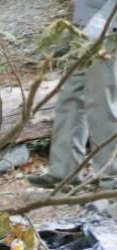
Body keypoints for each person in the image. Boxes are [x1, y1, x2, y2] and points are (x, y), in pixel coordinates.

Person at [28, 0, 116, 197]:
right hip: (84, 21)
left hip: (109, 25)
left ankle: (111, 177)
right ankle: (64, 173)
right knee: (71, 94)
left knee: (101, 100)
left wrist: (106, 17)